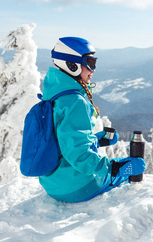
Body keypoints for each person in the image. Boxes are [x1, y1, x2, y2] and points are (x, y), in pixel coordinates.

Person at [39, 37, 146, 203]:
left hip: (54, 183)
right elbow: (78, 155)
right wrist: (115, 167)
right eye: (90, 62)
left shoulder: (55, 92)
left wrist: (95, 140)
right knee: (130, 173)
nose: (93, 69)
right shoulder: (75, 101)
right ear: (71, 65)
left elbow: (61, 138)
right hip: (77, 187)